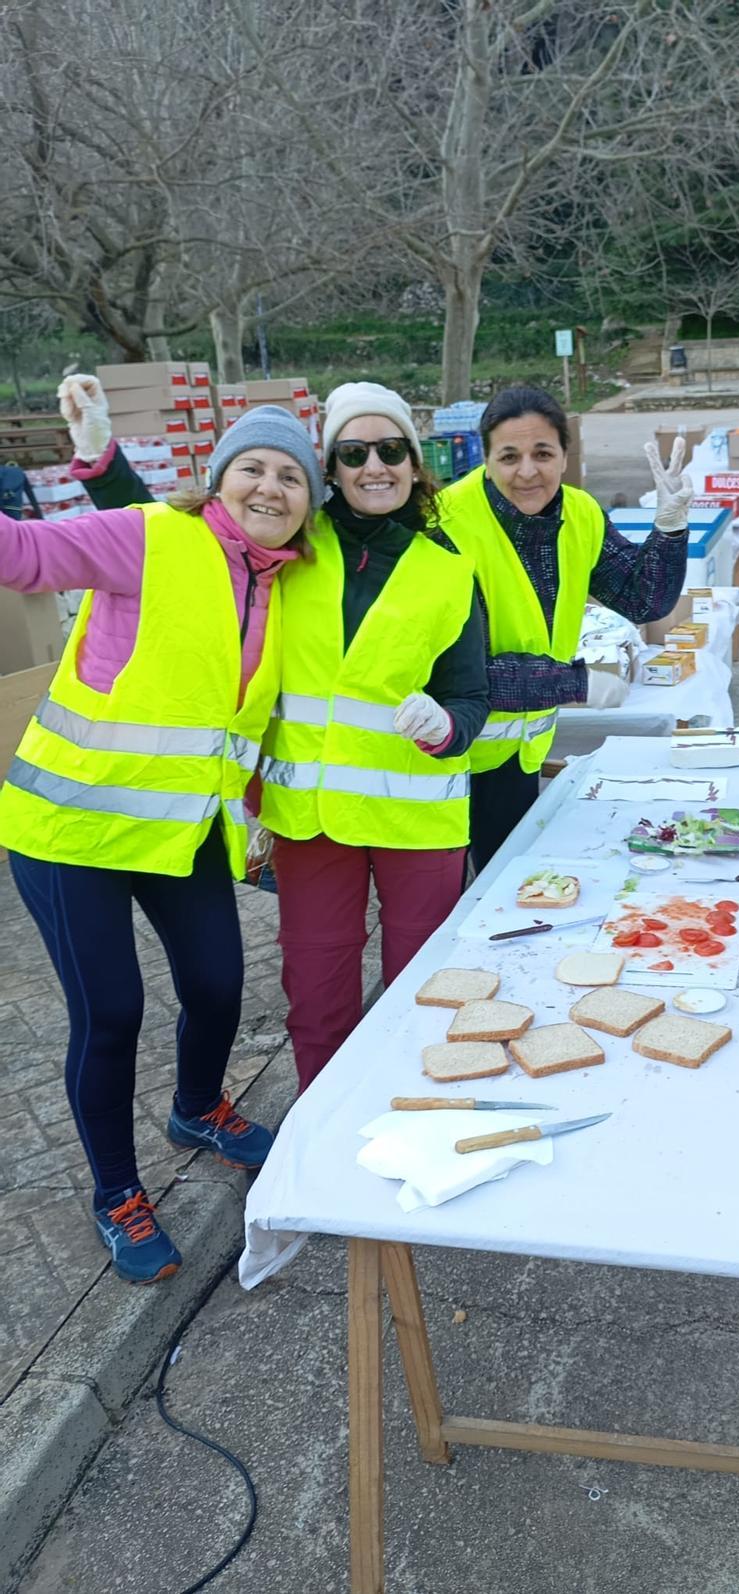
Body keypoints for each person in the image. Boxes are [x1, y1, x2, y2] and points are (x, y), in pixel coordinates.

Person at [59, 377, 490, 1092]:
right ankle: (323, 1130)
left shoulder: (450, 573)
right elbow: (175, 539)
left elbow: (470, 694)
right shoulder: (285, 548)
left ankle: (420, 1109)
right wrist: (104, 461)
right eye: (353, 453)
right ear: (331, 470)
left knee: (426, 988)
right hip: (309, 825)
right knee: (318, 995)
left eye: (391, 450)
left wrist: (448, 727)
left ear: (416, 465)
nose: (373, 466)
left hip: (420, 822)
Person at [0, 405, 323, 1283]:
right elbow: (21, 555)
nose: (270, 486)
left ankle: (196, 1109)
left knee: (219, 984)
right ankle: (116, 1195)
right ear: (218, 479)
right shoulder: (148, 537)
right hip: (73, 829)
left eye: (292, 476)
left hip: (181, 835)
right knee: (111, 1014)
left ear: (309, 503)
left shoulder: (284, 587)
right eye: (253, 467)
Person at [436, 386, 693, 870]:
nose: (527, 471)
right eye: (509, 456)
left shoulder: (580, 513)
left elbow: (644, 599)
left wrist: (671, 529)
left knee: (504, 886)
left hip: (516, 755)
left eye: (542, 453)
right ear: (485, 458)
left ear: (563, 455)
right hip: (443, 754)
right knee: (443, 907)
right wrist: (577, 683)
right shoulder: (447, 527)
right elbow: (463, 675)